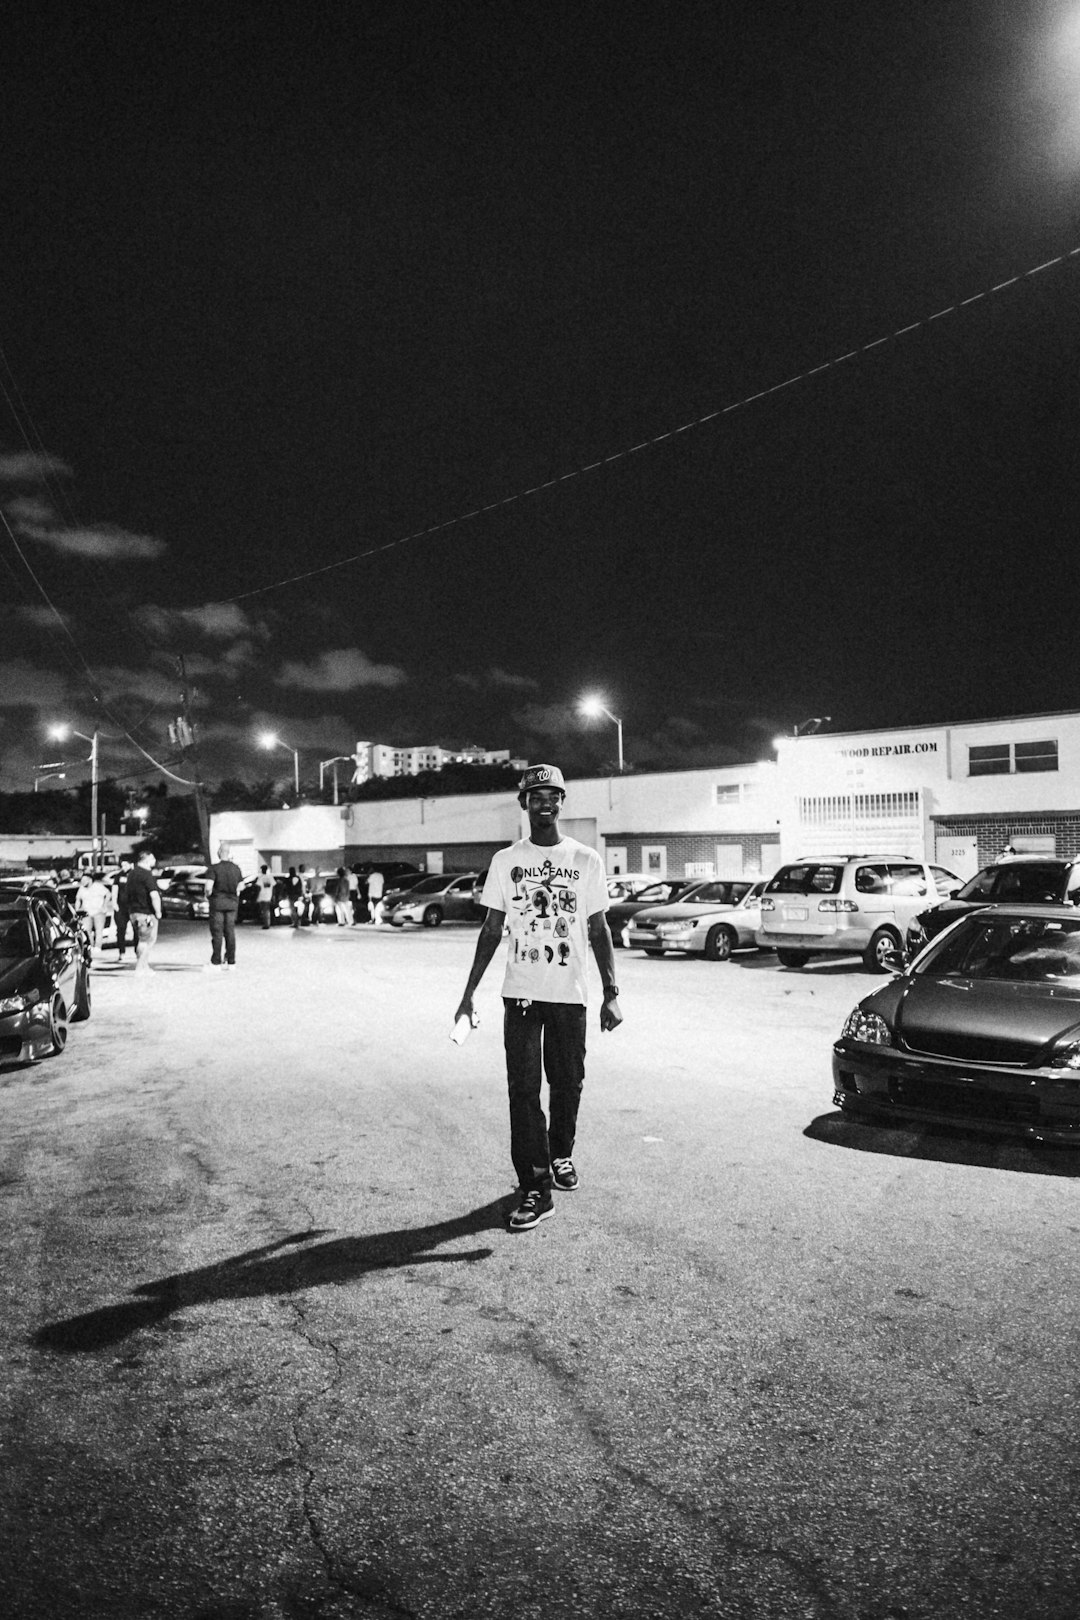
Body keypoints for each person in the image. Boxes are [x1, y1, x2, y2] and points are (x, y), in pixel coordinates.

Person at [454, 763, 623, 1233]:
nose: (545, 802)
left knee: (568, 1082)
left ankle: (560, 1153)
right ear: (523, 803)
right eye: (536, 795)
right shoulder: (506, 861)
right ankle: (534, 1186)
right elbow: (491, 929)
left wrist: (611, 992)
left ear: (562, 803)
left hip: (570, 995)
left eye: (553, 795)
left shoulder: (585, 859)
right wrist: (468, 994)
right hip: (522, 994)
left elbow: (598, 928)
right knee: (523, 1090)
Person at [204, 842, 243, 969]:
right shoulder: (236, 868)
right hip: (232, 904)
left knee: (217, 933)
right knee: (230, 932)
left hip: (217, 903)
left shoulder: (214, 868)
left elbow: (208, 887)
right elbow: (241, 885)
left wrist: (208, 895)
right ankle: (231, 961)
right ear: (229, 852)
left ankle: (216, 961)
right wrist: (235, 893)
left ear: (219, 852)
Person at [126, 850, 161, 972]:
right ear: (146, 860)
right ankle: (141, 967)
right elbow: (154, 895)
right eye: (152, 859)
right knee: (147, 941)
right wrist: (158, 911)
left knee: (140, 938)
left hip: (133, 912)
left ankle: (144, 966)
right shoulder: (147, 874)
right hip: (146, 912)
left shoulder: (131, 874)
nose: (154, 861)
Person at [75, 870, 114, 963]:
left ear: (90, 880)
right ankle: (91, 946)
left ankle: (98, 946)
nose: (83, 882)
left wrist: (104, 905)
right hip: (86, 912)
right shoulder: (81, 889)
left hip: (98, 911)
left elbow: (108, 894)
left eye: (84, 880)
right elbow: (78, 899)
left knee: (98, 930)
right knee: (87, 930)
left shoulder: (98, 886)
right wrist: (77, 910)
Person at [114, 857, 133, 962]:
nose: (124, 867)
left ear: (131, 864)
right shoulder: (119, 876)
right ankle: (122, 952)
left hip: (133, 906)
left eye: (126, 865)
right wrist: (114, 903)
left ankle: (137, 951)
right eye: (122, 865)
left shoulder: (134, 875)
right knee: (120, 929)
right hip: (121, 906)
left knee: (136, 930)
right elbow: (115, 889)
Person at [255, 864, 276, 930]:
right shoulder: (270, 877)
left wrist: (256, 896)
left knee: (264, 911)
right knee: (267, 910)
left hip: (262, 896)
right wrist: (273, 896)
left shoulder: (260, 878)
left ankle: (266, 924)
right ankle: (267, 923)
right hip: (269, 895)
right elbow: (274, 887)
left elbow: (258, 888)